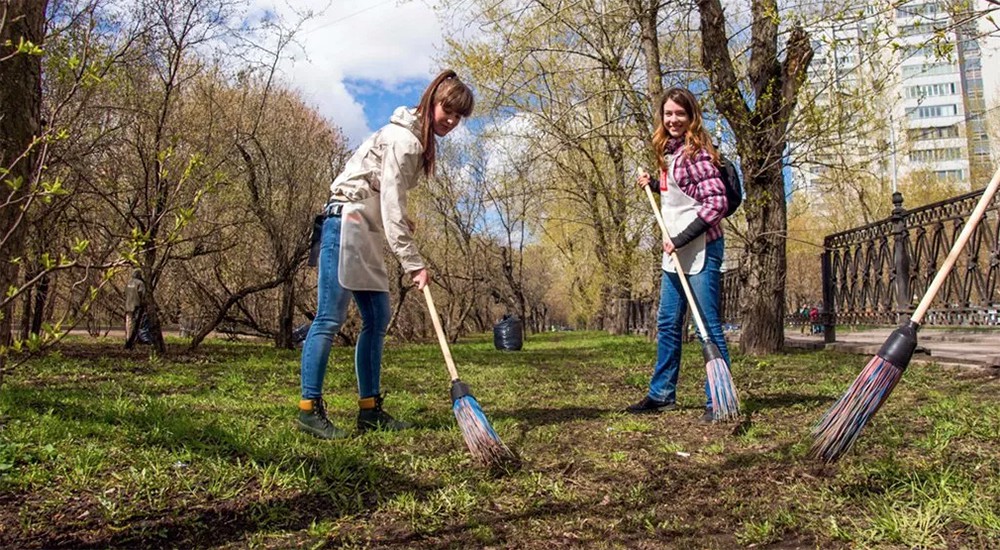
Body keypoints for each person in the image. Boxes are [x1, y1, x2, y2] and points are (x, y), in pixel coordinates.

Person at [297, 69, 474, 439]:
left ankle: (369, 410)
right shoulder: (404, 140)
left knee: (377, 318)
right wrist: (414, 263)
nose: (453, 121)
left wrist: (401, 219)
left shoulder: (413, 140)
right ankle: (309, 410)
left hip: (366, 228)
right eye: (449, 110)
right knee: (329, 319)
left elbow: (382, 194)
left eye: (460, 116)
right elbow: (387, 202)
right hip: (343, 225)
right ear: (432, 102)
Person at [626, 87, 730, 424]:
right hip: (675, 253)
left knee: (707, 326)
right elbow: (682, 192)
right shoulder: (669, 154)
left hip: (700, 249)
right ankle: (661, 394)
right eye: (668, 114)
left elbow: (717, 203)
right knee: (669, 323)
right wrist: (653, 184)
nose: (673, 120)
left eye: (679, 114)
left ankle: (719, 399)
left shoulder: (698, 154)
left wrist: (681, 239)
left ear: (691, 117)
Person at [124, 269, 145, 349]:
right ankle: (131, 342)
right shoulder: (140, 283)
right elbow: (142, 294)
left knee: (128, 324)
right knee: (136, 324)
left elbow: (125, 292)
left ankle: (128, 339)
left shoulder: (129, 283)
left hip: (128, 306)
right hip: (137, 306)